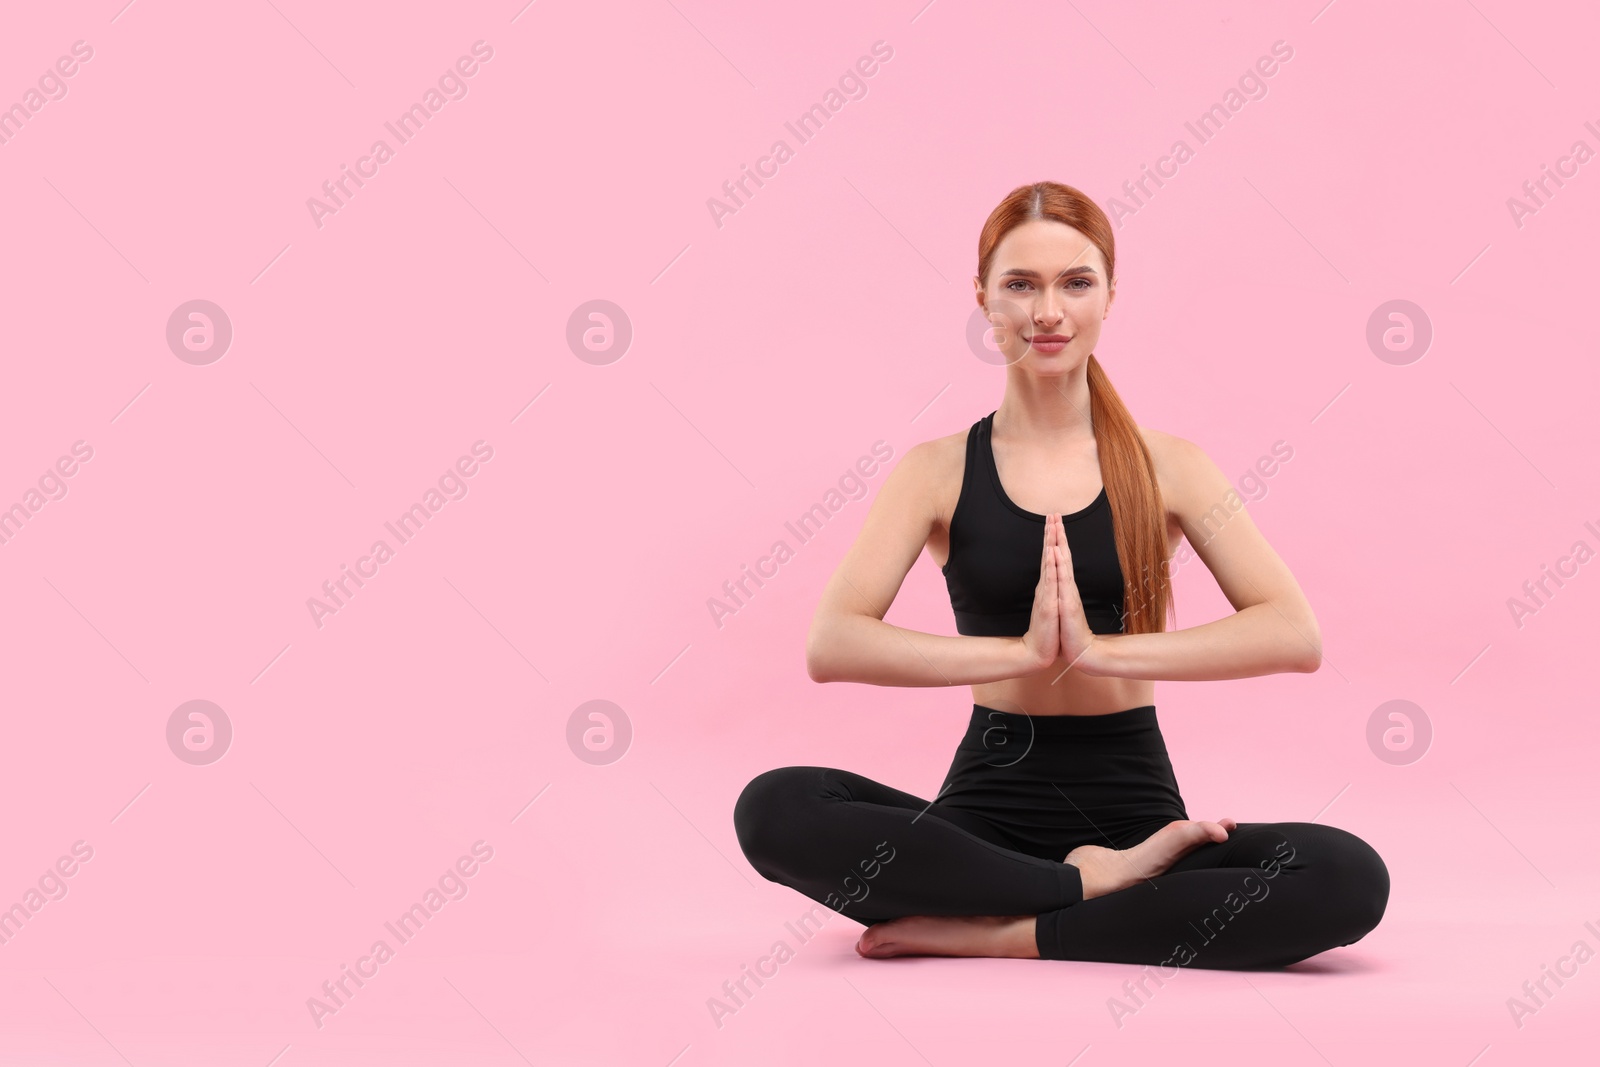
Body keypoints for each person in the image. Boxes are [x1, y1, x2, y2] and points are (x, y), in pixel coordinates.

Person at [731, 181, 1389, 968]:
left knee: (1347, 876)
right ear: (983, 298)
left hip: (1138, 817)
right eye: (1021, 284)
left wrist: (1100, 650)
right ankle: (1080, 894)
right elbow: (832, 644)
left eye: (1076, 282)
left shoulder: (1171, 466)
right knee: (775, 807)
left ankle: (1016, 928)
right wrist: (1022, 653)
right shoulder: (935, 472)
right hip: (981, 822)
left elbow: (1293, 632)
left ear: (1111, 293)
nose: (1048, 312)